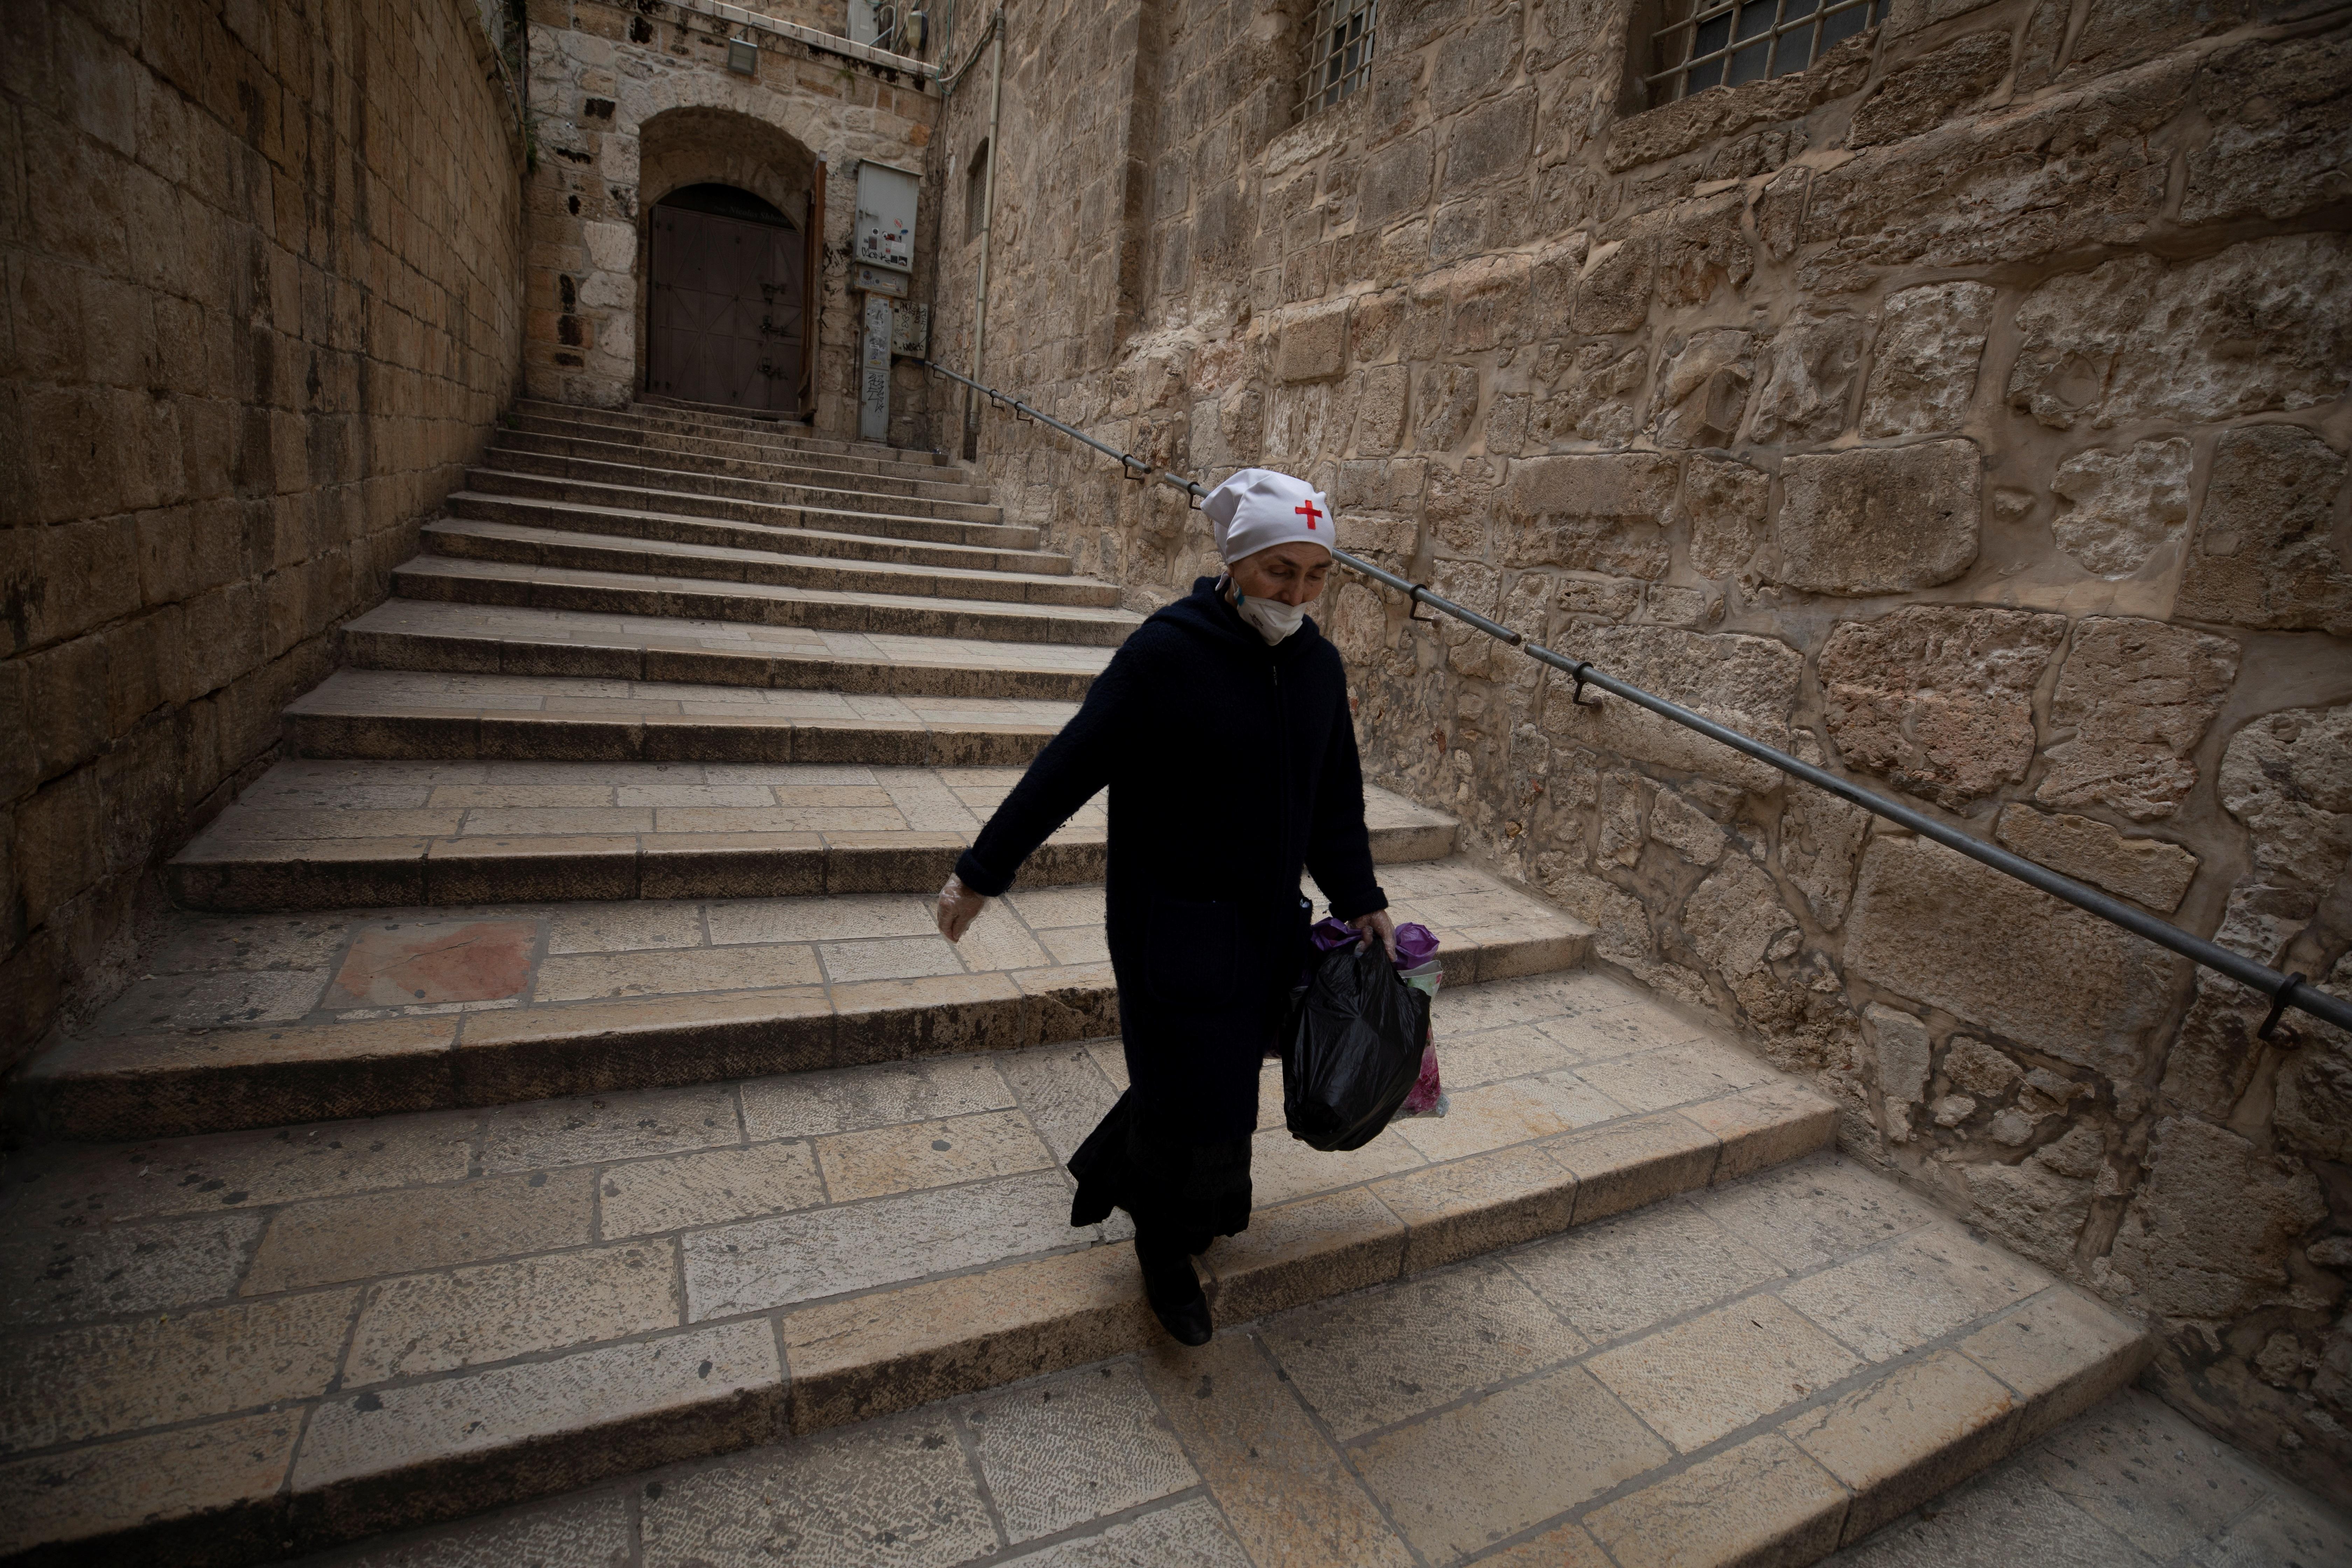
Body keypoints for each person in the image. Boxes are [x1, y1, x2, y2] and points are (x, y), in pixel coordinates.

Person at [934, 467, 1396, 1345]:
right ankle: (1163, 1246)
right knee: (1198, 1088)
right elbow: (1068, 766)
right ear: (1235, 561)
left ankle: (1167, 1192)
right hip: (1169, 923)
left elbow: (1334, 797)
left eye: (1315, 573)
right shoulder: (1165, 654)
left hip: (1265, 925)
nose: (1297, 592)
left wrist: (1361, 895)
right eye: (1278, 571)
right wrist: (980, 873)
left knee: (1213, 1081)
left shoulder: (1315, 666)